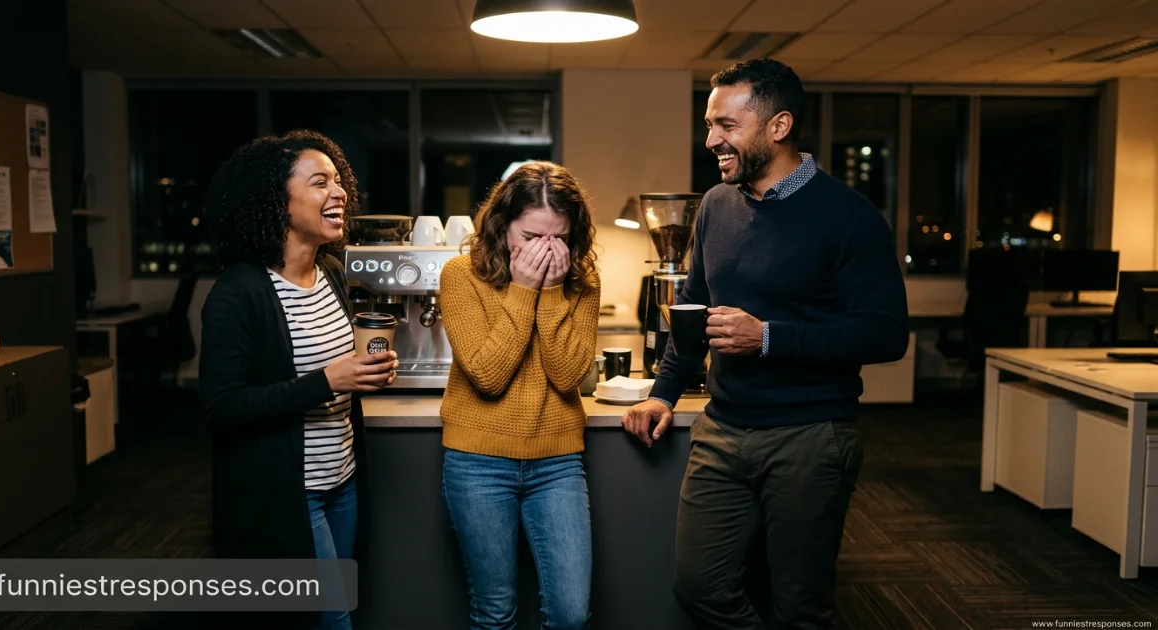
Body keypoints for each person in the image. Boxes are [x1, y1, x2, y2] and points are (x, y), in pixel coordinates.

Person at [622, 59, 909, 629]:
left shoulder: (848, 216)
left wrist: (769, 337)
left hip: (811, 436)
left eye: (727, 126)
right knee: (698, 586)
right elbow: (692, 315)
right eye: (710, 125)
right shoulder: (716, 205)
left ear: (778, 127)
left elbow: (886, 334)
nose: (711, 140)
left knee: (801, 606)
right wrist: (663, 395)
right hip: (724, 430)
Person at [199, 129, 398, 630]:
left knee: (334, 610)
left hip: (343, 481)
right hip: (287, 493)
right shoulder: (239, 292)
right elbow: (221, 409)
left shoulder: (331, 272)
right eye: (318, 183)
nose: (338, 194)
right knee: (330, 620)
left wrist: (364, 374)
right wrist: (329, 380)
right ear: (278, 202)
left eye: (338, 182)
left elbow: (334, 375)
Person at [438, 161, 601, 630]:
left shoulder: (580, 281)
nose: (548, 250)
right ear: (502, 226)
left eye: (560, 237)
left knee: (570, 615)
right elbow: (489, 375)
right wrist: (524, 290)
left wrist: (549, 293)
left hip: (557, 462)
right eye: (532, 238)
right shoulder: (461, 275)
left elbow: (567, 373)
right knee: (495, 612)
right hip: (478, 462)